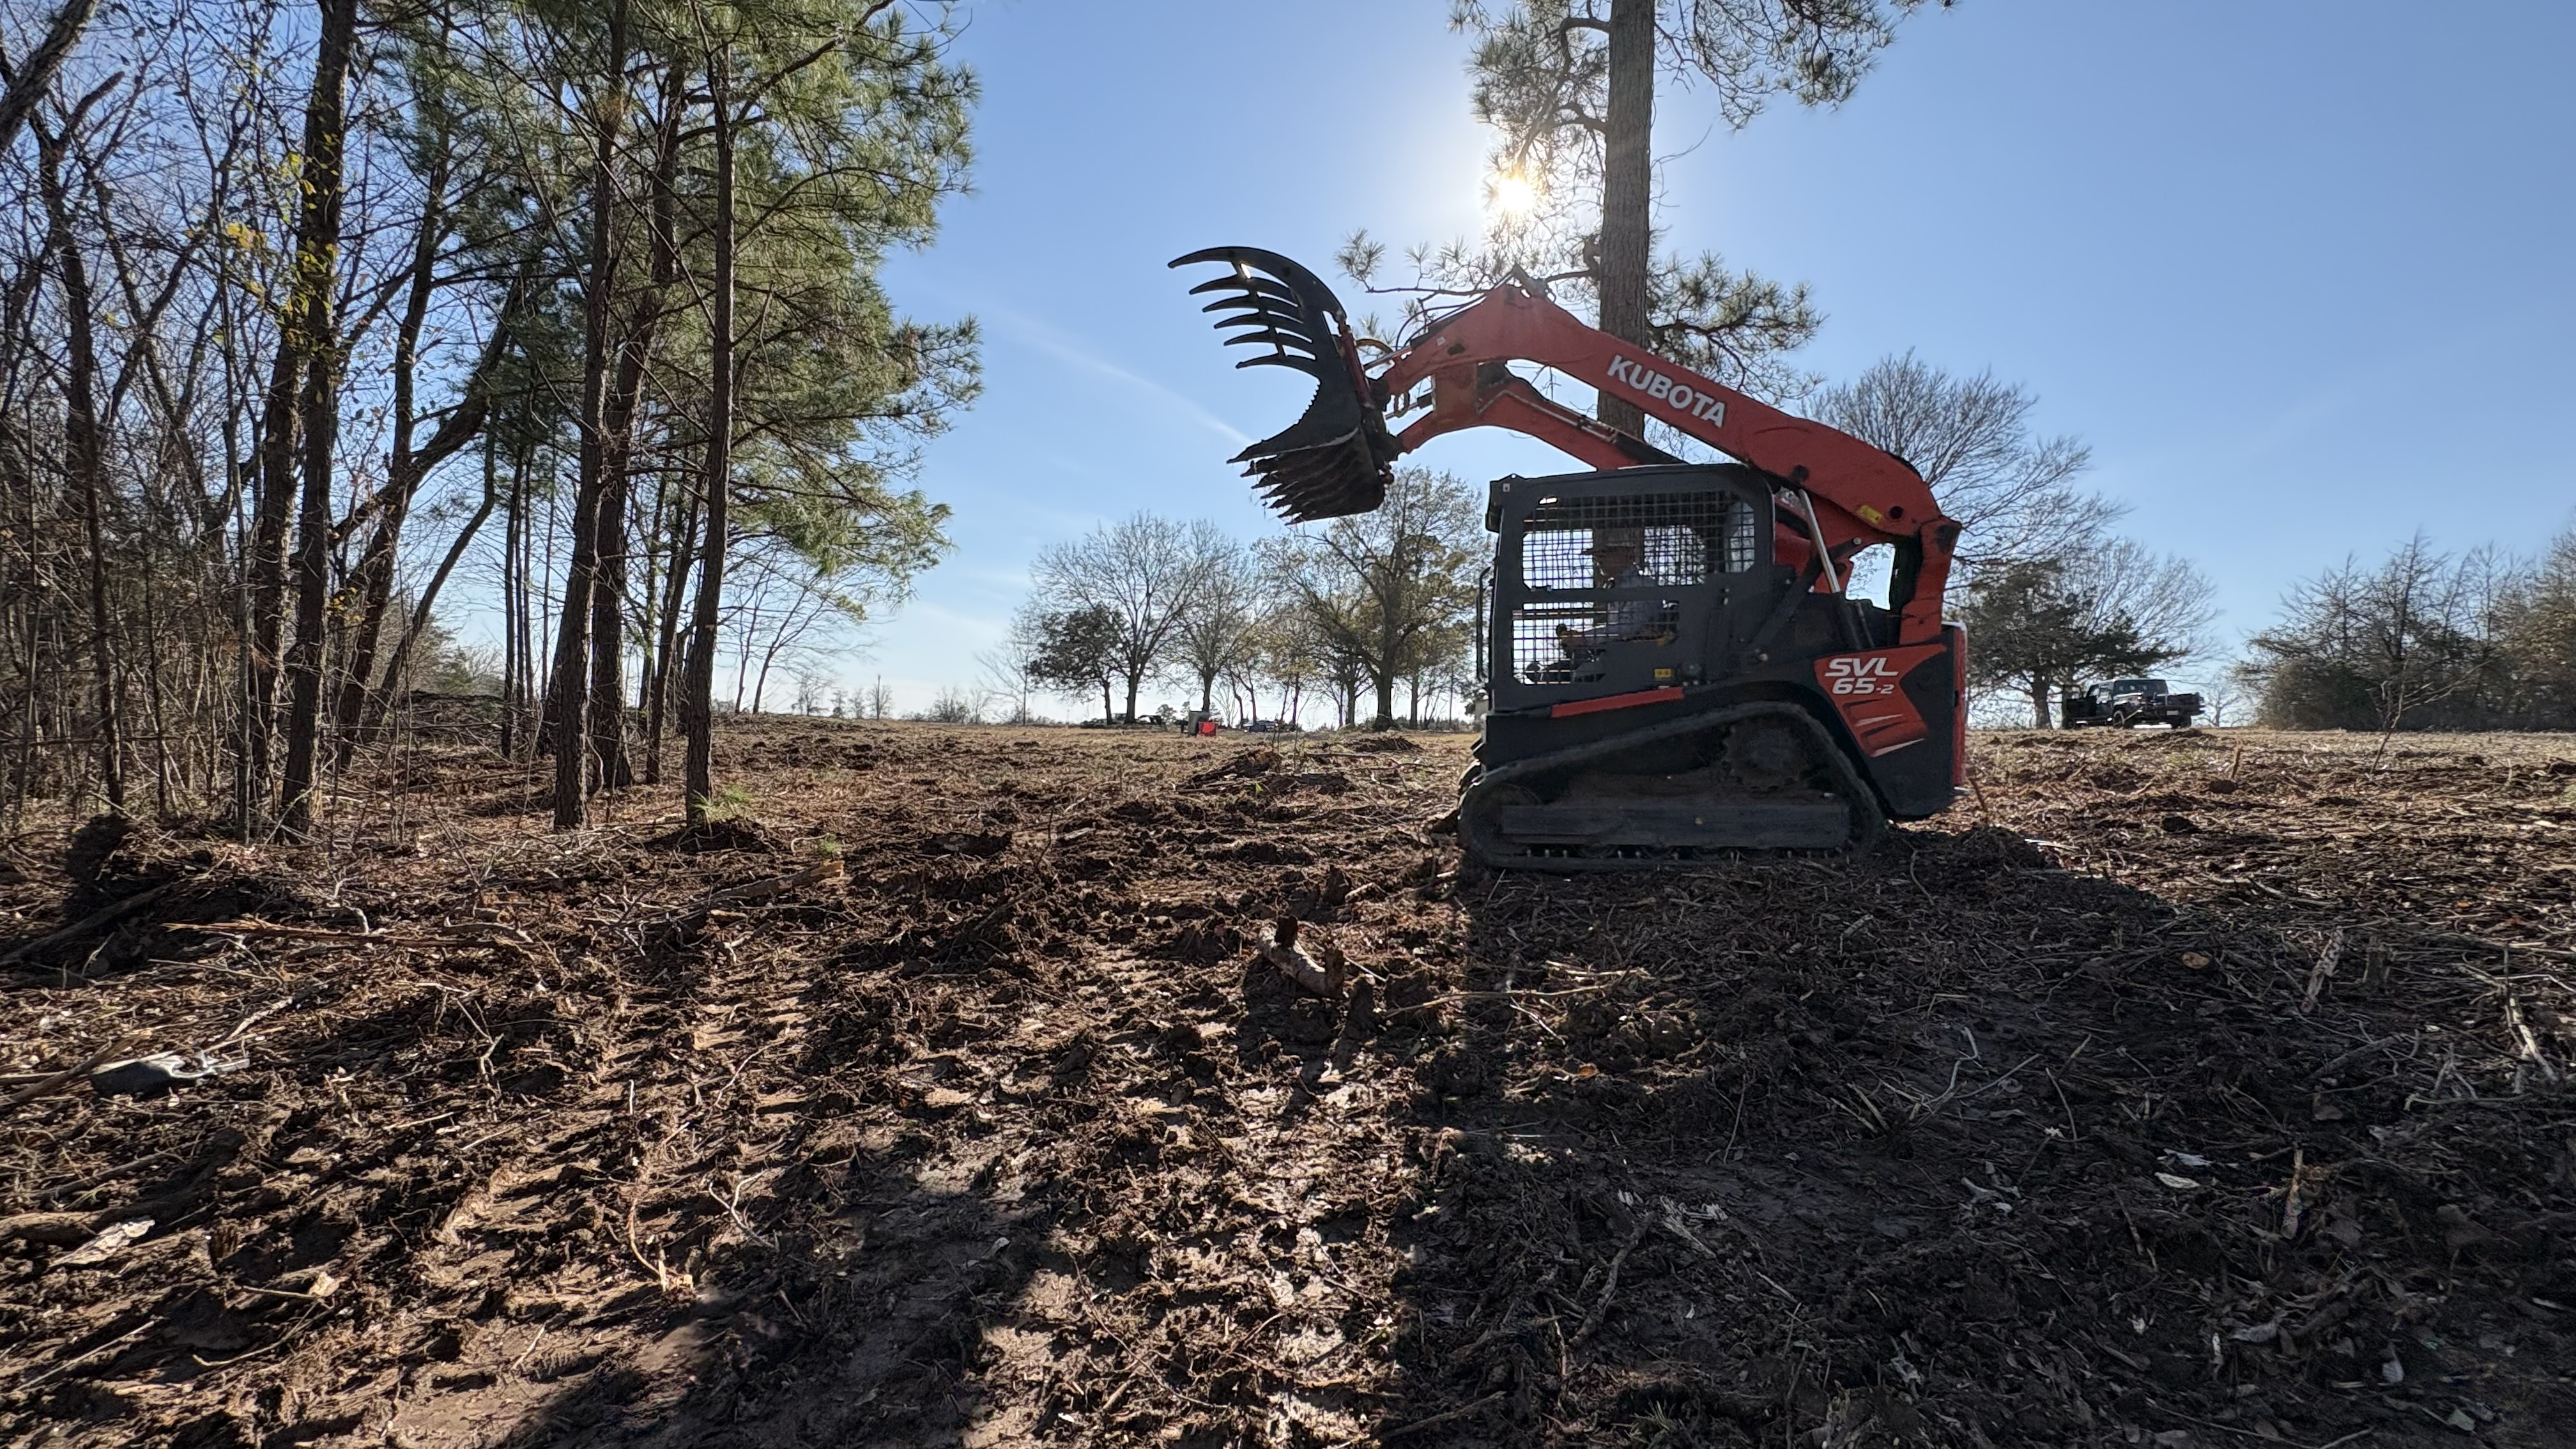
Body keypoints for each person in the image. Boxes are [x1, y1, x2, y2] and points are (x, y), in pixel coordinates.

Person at [1557, 535, 1667, 657]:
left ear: (1627, 554)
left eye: (1604, 553)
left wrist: (1585, 638)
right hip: (1621, 657)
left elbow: (1628, 628)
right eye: (1596, 555)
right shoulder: (1616, 587)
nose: (1598, 560)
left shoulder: (1642, 585)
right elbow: (1617, 629)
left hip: (1643, 658)